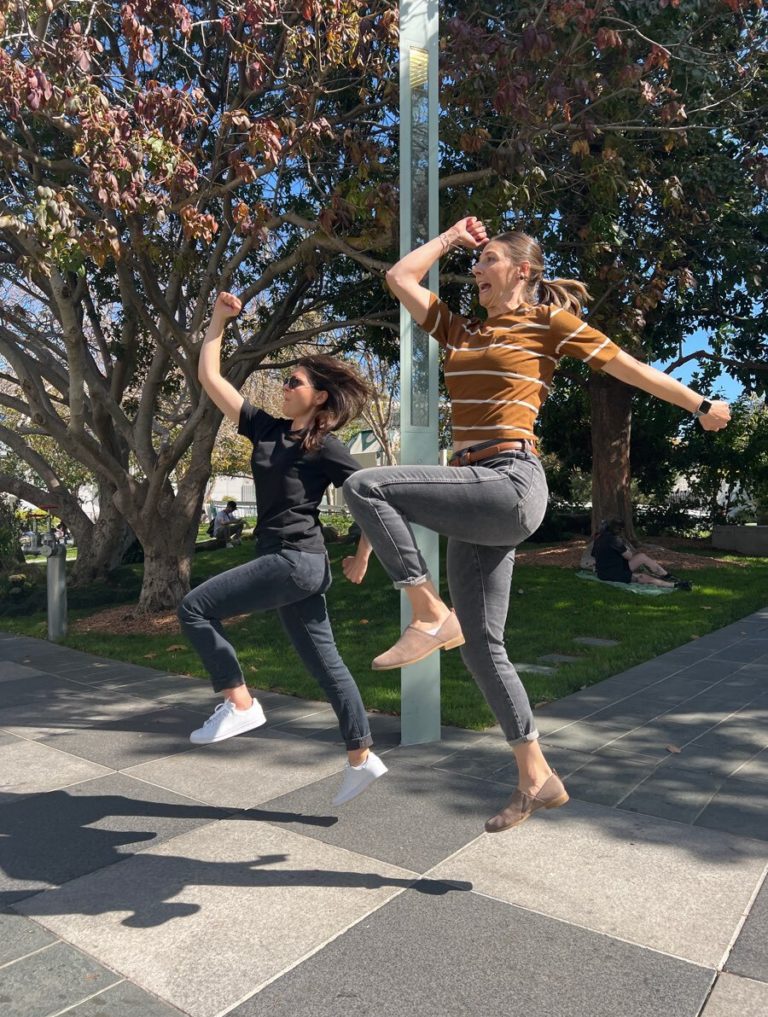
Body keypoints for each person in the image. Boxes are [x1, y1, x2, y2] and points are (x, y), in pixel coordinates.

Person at [342, 216, 730, 832]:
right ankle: (535, 774)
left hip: (511, 481)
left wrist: (701, 405)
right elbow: (399, 276)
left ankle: (426, 612)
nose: (476, 271)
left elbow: (625, 365)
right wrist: (450, 239)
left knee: (365, 482)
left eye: (487, 260)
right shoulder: (463, 330)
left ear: (523, 271)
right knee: (483, 650)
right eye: (476, 262)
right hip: (474, 491)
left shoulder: (548, 323)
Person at [178, 291, 387, 806]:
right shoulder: (266, 429)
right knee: (326, 664)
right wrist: (217, 321)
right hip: (292, 564)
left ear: (318, 397)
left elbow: (373, 499)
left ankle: (239, 701)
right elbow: (211, 380)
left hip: (295, 561)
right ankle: (362, 757)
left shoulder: (325, 445)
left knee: (193, 608)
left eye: (294, 381)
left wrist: (362, 555)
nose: (284, 386)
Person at [592, 518, 692, 590]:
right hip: (612, 573)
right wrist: (624, 546)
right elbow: (629, 556)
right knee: (642, 577)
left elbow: (594, 556)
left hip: (607, 569)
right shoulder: (614, 540)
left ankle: (667, 576)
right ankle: (674, 585)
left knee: (641, 557)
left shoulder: (598, 538)